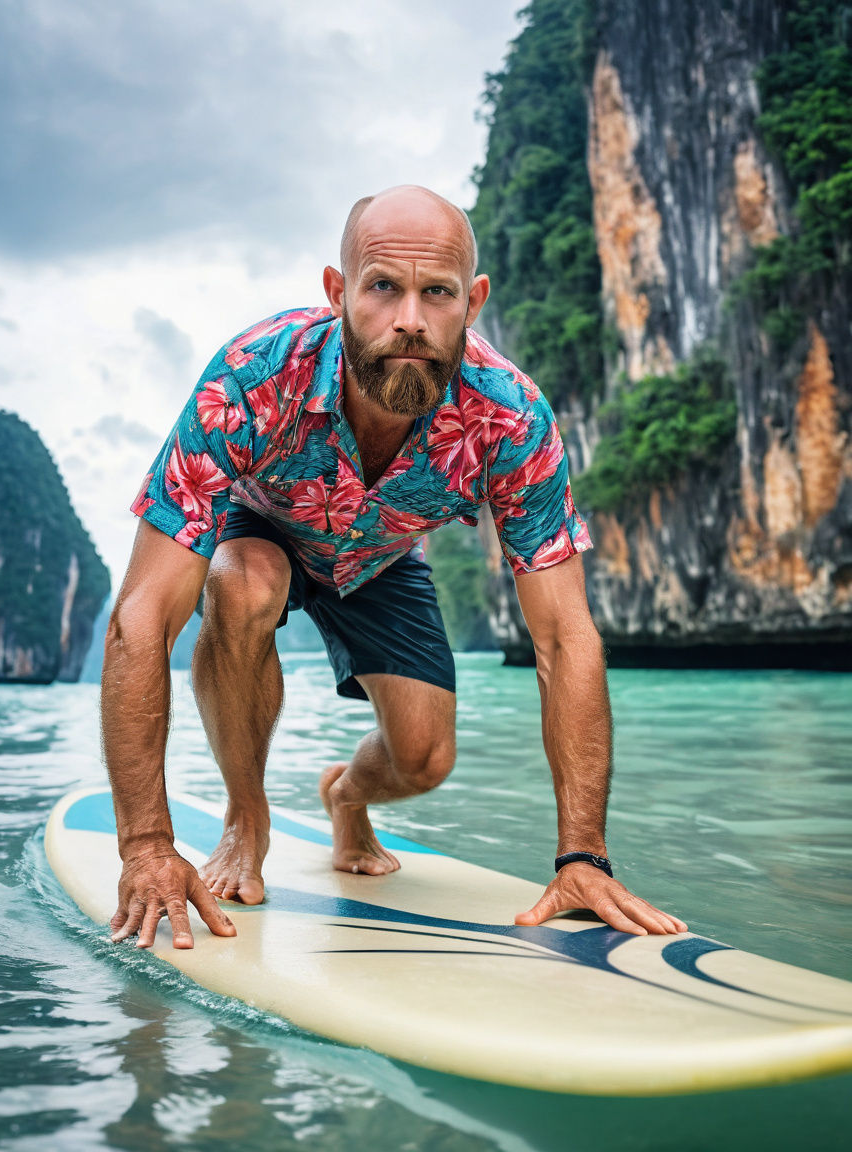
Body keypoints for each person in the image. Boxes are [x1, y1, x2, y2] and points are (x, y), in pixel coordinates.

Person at [104, 184, 687, 951]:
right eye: (383, 287)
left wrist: (583, 856)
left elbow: (564, 636)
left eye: (436, 292)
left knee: (423, 759)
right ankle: (247, 819)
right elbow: (142, 614)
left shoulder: (510, 419)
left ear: (471, 302)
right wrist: (145, 844)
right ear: (338, 293)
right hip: (265, 529)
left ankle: (346, 799)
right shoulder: (250, 379)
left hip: (381, 556)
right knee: (243, 583)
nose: (410, 317)